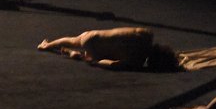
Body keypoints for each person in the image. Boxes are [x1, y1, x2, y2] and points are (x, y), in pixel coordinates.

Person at [37, 27, 179, 71]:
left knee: (73, 40)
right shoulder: (136, 61)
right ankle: (78, 55)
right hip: (96, 51)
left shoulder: (146, 34)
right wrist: (96, 62)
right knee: (91, 57)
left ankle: (47, 45)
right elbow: (112, 64)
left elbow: (122, 32)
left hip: (94, 36)